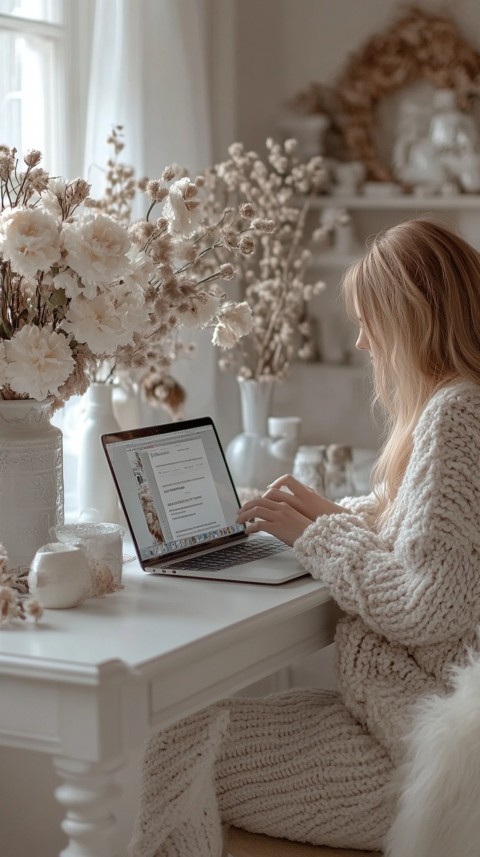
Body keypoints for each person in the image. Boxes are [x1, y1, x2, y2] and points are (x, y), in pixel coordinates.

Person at [129, 217, 480, 857]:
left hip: (422, 748)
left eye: (370, 319)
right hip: (409, 718)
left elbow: (429, 603)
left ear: (411, 317)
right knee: (180, 732)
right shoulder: (463, 402)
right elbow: (418, 521)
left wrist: (315, 534)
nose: (365, 341)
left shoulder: (456, 412)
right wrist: (322, 511)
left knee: (168, 745)